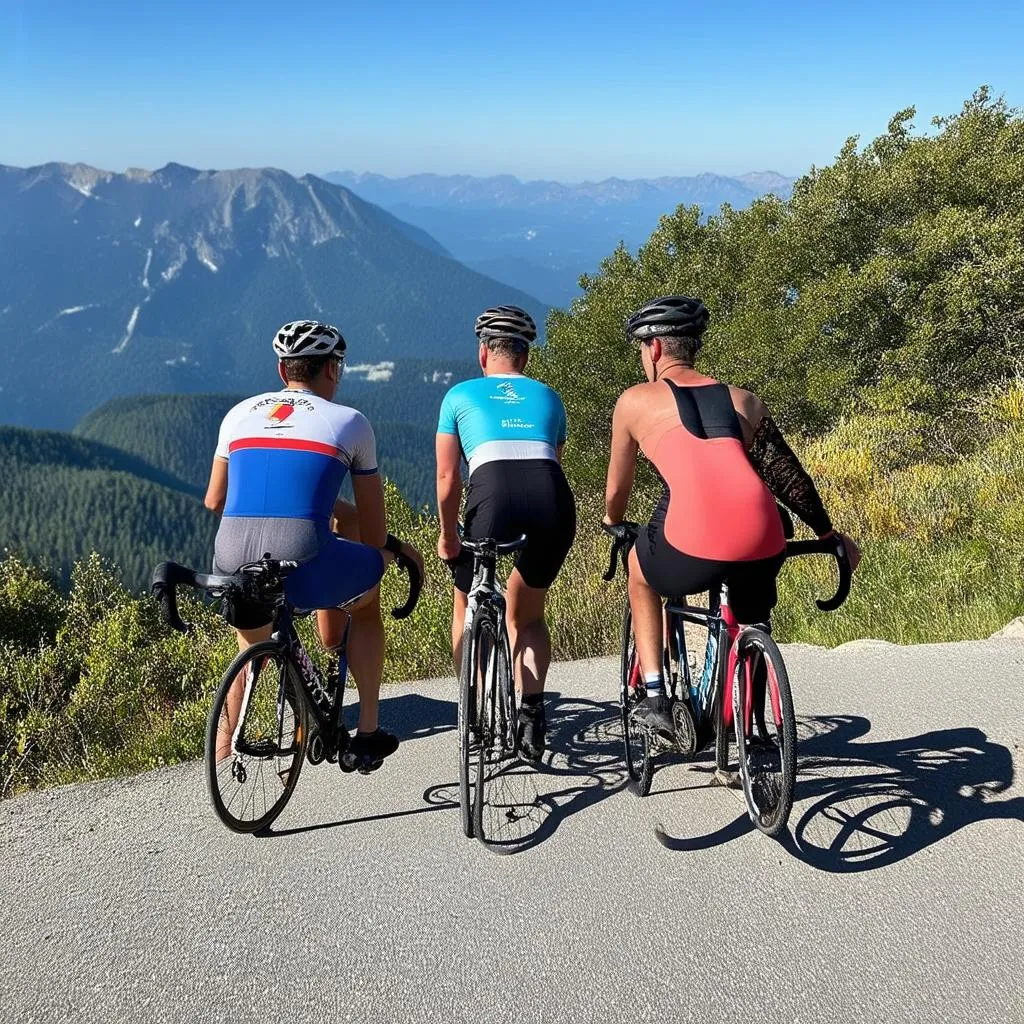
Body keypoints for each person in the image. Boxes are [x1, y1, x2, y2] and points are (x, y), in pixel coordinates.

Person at [603, 296, 861, 738]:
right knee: (753, 615)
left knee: (638, 573)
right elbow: (789, 477)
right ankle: (752, 727)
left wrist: (614, 522)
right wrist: (829, 533)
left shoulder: (634, 401)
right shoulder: (744, 400)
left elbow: (616, 493)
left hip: (692, 538)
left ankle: (656, 696)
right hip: (764, 533)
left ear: (655, 349)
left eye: (642, 350)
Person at [203, 319, 422, 769]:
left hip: (230, 555)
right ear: (333, 370)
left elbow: (215, 499)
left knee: (250, 644)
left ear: (283, 372)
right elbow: (376, 533)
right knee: (367, 596)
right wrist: (390, 548)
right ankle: (367, 730)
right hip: (306, 555)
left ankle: (225, 748)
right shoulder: (351, 423)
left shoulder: (238, 414)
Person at [435, 305, 576, 762]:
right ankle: (532, 714)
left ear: (483, 354)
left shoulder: (458, 395)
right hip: (552, 502)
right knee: (527, 615)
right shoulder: (550, 397)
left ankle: (472, 711)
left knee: (466, 597)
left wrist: (447, 538)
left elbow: (447, 480)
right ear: (526, 358)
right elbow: (549, 458)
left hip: (491, 499)